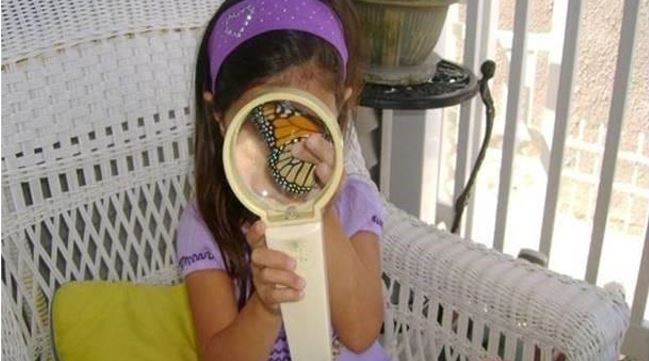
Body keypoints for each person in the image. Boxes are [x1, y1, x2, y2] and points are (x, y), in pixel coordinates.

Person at [176, 0, 387, 360]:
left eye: (312, 123)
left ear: (339, 108)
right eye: (265, 125)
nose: (295, 149)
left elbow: (362, 331)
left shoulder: (353, 204)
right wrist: (265, 306)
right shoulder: (206, 224)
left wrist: (322, 214)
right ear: (221, 117)